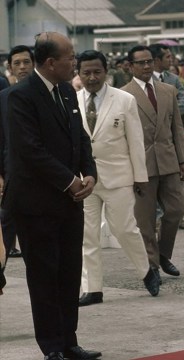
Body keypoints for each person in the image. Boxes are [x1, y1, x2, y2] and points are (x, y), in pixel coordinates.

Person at [4, 31, 101, 360]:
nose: (74, 62)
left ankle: (70, 341)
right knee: (44, 277)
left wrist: (89, 174)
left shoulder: (67, 92)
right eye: (70, 57)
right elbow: (30, 150)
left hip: (69, 202)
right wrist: (69, 181)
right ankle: (52, 347)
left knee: (69, 272)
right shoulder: (20, 96)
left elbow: (80, 140)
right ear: (50, 63)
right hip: (35, 203)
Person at [75, 50, 159, 307]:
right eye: (86, 72)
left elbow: (135, 141)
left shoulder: (124, 100)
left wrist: (140, 177)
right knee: (87, 236)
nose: (92, 77)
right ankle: (92, 289)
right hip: (84, 180)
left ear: (106, 71)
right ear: (78, 73)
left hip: (119, 177)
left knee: (124, 230)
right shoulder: (71, 99)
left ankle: (147, 271)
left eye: (96, 72)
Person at [121, 45, 184, 281]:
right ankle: (151, 266)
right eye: (141, 63)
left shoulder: (168, 90)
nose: (147, 66)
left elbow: (177, 128)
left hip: (169, 161)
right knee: (145, 219)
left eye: (149, 61)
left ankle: (163, 254)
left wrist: (183, 159)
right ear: (130, 66)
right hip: (141, 166)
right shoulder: (123, 94)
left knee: (176, 209)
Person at [149, 44, 184, 231]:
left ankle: (175, 214)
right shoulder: (143, 81)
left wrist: (166, 113)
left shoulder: (174, 80)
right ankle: (158, 216)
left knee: (177, 178)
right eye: (167, 57)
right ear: (157, 60)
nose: (171, 60)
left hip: (172, 137)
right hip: (150, 140)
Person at [1, 45, 34, 260]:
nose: (22, 67)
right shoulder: (3, 97)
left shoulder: (50, 94)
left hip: (43, 177)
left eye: (26, 62)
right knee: (6, 226)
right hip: (12, 174)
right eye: (17, 63)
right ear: (10, 67)